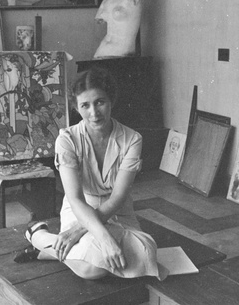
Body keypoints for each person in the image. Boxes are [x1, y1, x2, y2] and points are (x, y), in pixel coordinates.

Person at [17, 67, 165, 281]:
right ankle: (40, 237)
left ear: (111, 100)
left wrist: (79, 231)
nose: (94, 113)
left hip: (119, 211)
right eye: (85, 105)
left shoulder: (132, 139)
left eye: (100, 102)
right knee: (94, 270)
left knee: (146, 255)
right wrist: (103, 237)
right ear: (76, 107)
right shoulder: (67, 140)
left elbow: (118, 198)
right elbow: (75, 199)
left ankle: (47, 248)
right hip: (80, 210)